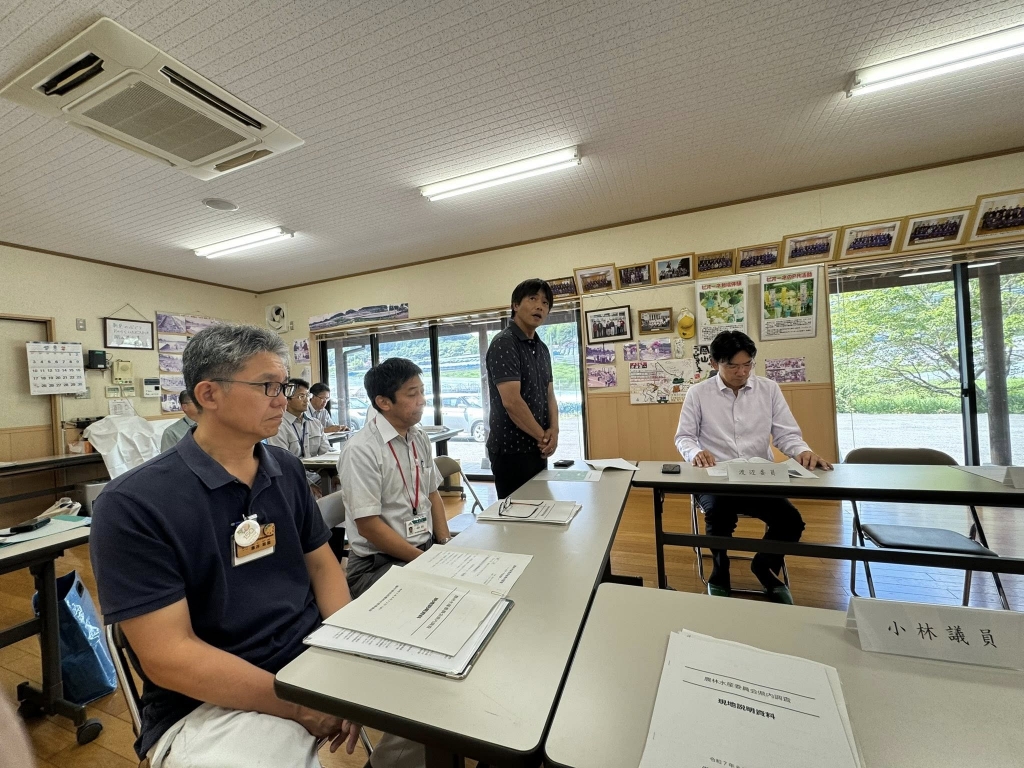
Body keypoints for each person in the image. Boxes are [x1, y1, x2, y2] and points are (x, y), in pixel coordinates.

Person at [90, 324, 360, 768]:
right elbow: (169, 656)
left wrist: (345, 653)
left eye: (284, 385)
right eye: (268, 386)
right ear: (209, 394)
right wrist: (298, 705)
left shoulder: (285, 469)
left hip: (311, 655)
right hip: (211, 699)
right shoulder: (133, 504)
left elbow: (321, 565)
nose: (283, 399)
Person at [674, 330, 832, 604]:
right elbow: (684, 437)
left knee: (790, 522)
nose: (742, 372)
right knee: (719, 516)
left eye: (748, 364)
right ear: (714, 363)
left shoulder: (768, 389)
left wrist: (802, 451)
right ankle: (720, 572)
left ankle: (764, 565)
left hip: (759, 477)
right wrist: (696, 452)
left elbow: (786, 434)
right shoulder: (698, 393)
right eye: (733, 366)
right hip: (716, 478)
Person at [340, 357, 451, 599]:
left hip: (423, 548)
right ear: (383, 402)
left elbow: (432, 493)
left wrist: (444, 545)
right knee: (441, 597)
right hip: (377, 564)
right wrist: (426, 563)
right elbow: (368, 526)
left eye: (422, 391)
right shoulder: (361, 449)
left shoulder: (419, 437)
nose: (422, 400)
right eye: (412, 394)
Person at [485, 278, 558, 498]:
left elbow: (549, 394)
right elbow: (512, 402)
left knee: (542, 507)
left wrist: (554, 431)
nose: (540, 307)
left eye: (545, 303)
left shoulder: (542, 348)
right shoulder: (504, 343)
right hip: (511, 451)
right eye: (533, 299)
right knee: (517, 515)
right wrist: (544, 438)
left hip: (536, 448)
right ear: (516, 305)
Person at [268, 377, 333, 497]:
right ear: (287, 400)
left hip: (318, 476)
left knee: (344, 488)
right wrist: (307, 484)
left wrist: (334, 475)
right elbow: (283, 463)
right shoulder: (279, 426)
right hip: (293, 480)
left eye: (307, 396)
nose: (306, 400)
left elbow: (326, 452)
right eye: (301, 396)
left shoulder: (315, 423)